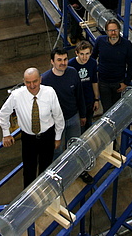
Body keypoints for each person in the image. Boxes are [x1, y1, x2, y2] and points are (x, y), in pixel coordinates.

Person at [0, 68, 65, 188]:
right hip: (28, 139)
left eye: (35, 81)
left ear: (40, 79)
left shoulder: (49, 92)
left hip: (47, 136)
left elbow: (58, 116)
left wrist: (58, 137)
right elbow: (3, 114)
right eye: (28, 82)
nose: (32, 85)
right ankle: (29, 198)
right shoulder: (16, 95)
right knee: (29, 171)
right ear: (24, 81)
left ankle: (45, 193)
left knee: (46, 169)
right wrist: (6, 133)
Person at [41, 48, 92, 183]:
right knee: (57, 150)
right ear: (52, 62)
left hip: (73, 117)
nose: (63, 63)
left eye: (64, 59)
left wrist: (82, 115)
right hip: (55, 123)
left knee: (75, 145)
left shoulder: (72, 73)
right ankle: (58, 177)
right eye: (59, 60)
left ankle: (80, 170)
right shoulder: (45, 80)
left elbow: (79, 95)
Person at [92, 19, 132, 113]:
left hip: (119, 83)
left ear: (119, 30)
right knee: (107, 111)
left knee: (117, 111)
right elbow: (93, 58)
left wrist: (126, 82)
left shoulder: (127, 45)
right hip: (103, 83)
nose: (113, 33)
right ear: (106, 32)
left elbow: (131, 65)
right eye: (110, 31)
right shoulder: (100, 41)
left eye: (115, 30)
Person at [69, 40, 100, 130]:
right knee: (78, 127)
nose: (84, 57)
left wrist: (96, 99)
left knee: (88, 124)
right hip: (76, 102)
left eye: (87, 54)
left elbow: (94, 81)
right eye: (82, 54)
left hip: (89, 100)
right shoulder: (71, 65)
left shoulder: (92, 63)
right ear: (76, 53)